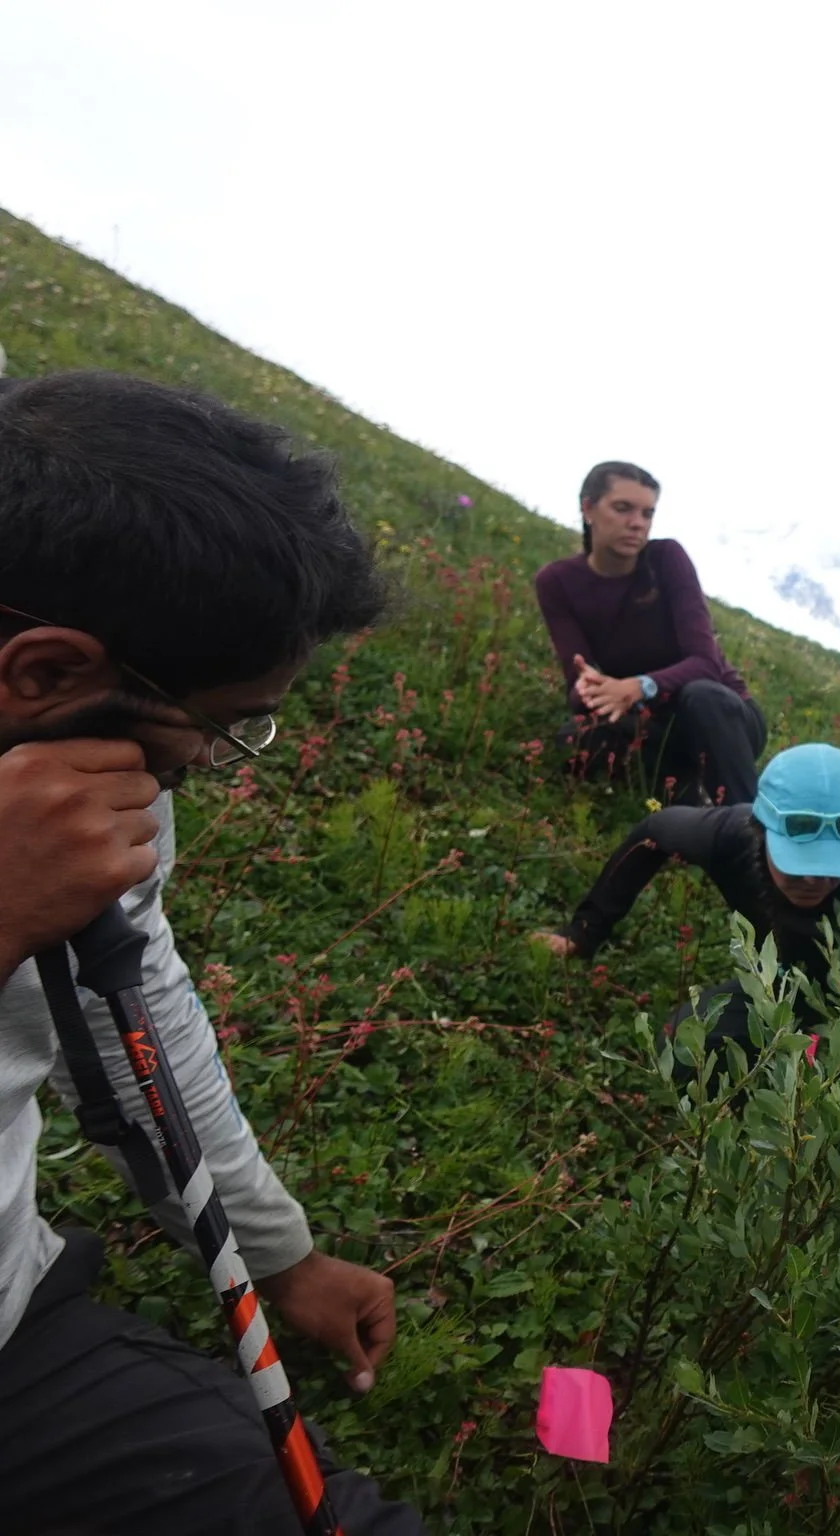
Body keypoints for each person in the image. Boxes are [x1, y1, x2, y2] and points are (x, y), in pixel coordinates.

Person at [0, 371, 422, 1532]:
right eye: (223, 724)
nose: (214, 759)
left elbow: (138, 1018)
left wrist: (281, 1259)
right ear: (44, 672)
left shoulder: (93, 768)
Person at [536, 743, 840, 1041]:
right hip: (785, 980)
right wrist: (583, 933)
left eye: (831, 868)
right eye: (798, 864)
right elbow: (651, 834)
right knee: (681, 1042)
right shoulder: (725, 835)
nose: (815, 881)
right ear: (761, 830)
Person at [533, 461, 766, 806]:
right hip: (650, 724)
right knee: (576, 738)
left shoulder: (666, 558)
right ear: (588, 508)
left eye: (647, 513)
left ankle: (747, 824)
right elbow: (578, 687)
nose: (637, 523)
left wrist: (638, 687)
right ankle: (691, 794)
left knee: (701, 695)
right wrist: (591, 689)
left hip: (723, 718)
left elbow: (706, 664)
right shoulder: (557, 582)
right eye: (623, 508)